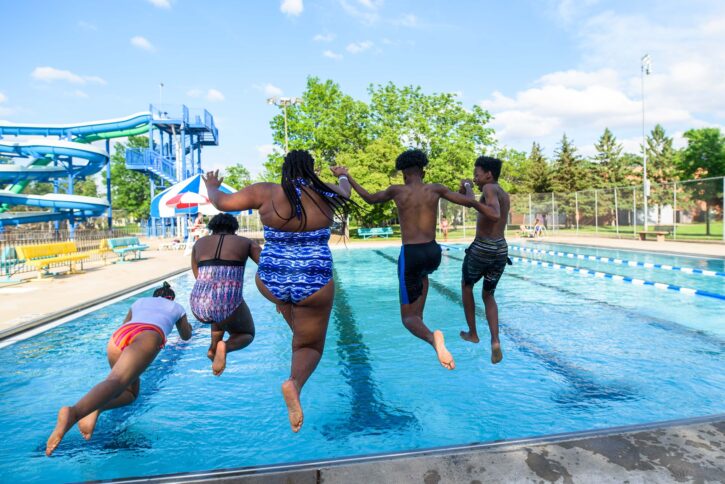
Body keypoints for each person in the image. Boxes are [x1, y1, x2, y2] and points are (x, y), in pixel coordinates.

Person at [203, 149, 355, 433]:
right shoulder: (325, 192)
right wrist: (342, 175)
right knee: (309, 345)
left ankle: (285, 306)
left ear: (285, 170)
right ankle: (294, 383)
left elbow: (222, 203)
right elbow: (346, 191)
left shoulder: (265, 192)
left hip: (271, 279)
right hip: (313, 280)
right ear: (312, 171)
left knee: (288, 310)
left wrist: (212, 185)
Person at [335, 149, 490, 371]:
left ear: (404, 173)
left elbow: (369, 199)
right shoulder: (436, 188)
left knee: (409, 319)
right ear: (422, 170)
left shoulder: (397, 191)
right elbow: (469, 202)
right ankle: (428, 330)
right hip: (433, 252)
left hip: (411, 254)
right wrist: (467, 185)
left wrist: (347, 176)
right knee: (421, 289)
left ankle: (433, 340)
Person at [46, 282, 191, 456]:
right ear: (171, 297)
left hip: (120, 336)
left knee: (129, 394)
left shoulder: (139, 302)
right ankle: (74, 412)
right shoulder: (177, 307)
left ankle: (95, 409)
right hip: (148, 335)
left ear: (154, 295)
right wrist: (186, 324)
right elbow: (186, 336)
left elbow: (125, 325)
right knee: (115, 382)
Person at [190, 213, 261, 376]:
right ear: (234, 229)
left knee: (217, 312)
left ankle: (214, 348)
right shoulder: (246, 242)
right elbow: (267, 269)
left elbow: (197, 275)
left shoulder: (199, 243)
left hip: (198, 302)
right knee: (247, 334)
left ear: (212, 228)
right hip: (226, 302)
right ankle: (224, 346)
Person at [459, 156, 511, 364]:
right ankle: (495, 342)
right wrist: (466, 189)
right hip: (500, 249)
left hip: (483, 247)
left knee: (466, 286)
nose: (475, 177)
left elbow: (494, 214)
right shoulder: (502, 192)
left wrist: (471, 196)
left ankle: (473, 332)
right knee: (488, 295)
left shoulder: (489, 189)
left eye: (477, 174)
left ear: (488, 174)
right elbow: (468, 200)